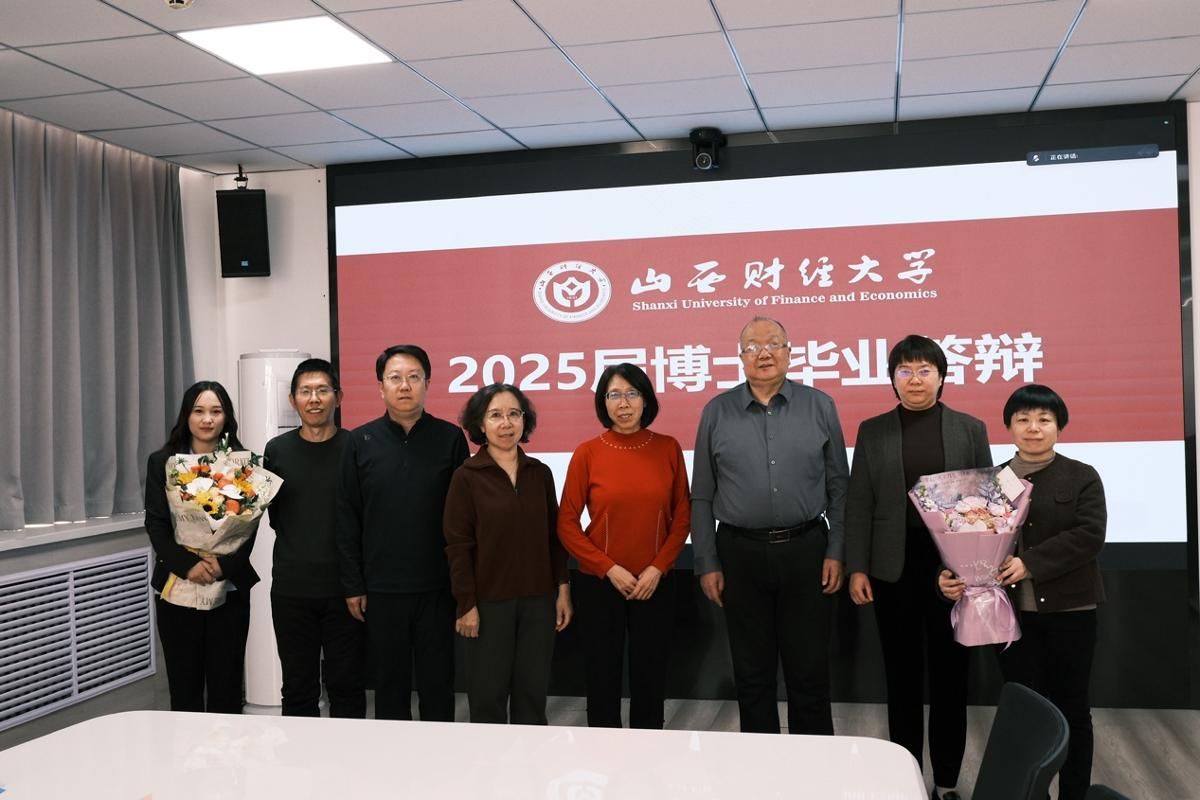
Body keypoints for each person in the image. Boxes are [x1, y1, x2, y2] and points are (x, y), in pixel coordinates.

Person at [940, 385, 1105, 800]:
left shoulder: (1082, 475)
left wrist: (1030, 563)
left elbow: (1089, 535)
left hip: (1070, 611)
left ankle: (1074, 795)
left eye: (1044, 420)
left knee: (1073, 707)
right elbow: (969, 537)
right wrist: (952, 575)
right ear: (1009, 426)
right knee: (1026, 709)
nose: (1034, 428)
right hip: (1010, 616)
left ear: (1059, 426)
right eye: (1023, 419)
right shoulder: (991, 482)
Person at [845, 334, 992, 800]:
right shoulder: (873, 431)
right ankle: (904, 776)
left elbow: (988, 503)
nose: (915, 379)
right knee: (902, 677)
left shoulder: (970, 429)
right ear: (892, 378)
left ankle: (946, 781)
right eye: (905, 370)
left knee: (951, 676)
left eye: (925, 370)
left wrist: (979, 567)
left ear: (942, 376)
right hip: (893, 566)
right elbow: (859, 502)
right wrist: (857, 567)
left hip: (954, 566)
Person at [692, 316, 849, 735]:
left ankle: (813, 761)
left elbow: (839, 486)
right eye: (753, 346)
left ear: (789, 352)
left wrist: (836, 549)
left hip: (807, 549)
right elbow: (702, 494)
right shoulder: (716, 412)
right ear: (740, 357)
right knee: (751, 671)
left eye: (774, 344)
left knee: (809, 670)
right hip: (739, 552)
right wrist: (706, 561)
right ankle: (760, 763)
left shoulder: (820, 406)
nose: (764, 353)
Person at [336, 344, 469, 721]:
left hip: (437, 586)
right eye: (395, 378)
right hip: (380, 589)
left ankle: (439, 753)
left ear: (428, 383)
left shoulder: (450, 438)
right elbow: (347, 516)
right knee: (389, 686)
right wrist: (353, 584)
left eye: (414, 377)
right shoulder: (359, 441)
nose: (405, 385)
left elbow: (464, 517)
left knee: (438, 683)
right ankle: (392, 755)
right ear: (381, 387)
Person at [558, 363, 691, 729]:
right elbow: (566, 522)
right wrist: (608, 568)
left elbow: (682, 517)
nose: (624, 403)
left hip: (654, 582)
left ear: (646, 399)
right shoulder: (588, 452)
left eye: (632, 393)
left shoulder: (667, 448)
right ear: (603, 402)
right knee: (601, 674)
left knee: (651, 672)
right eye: (614, 394)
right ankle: (604, 750)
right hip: (601, 583)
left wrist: (657, 568)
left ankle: (648, 747)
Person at [443, 384, 571, 724]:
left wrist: (562, 589)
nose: (506, 423)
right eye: (495, 415)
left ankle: (532, 761)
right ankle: (490, 761)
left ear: (524, 421)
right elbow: (457, 546)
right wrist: (466, 604)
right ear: (480, 424)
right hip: (488, 604)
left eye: (514, 414)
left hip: (538, 602)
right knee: (488, 699)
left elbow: (553, 537)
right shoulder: (466, 477)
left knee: (532, 697)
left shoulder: (539, 473)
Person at [144, 380, 257, 713]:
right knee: (184, 688)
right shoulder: (162, 462)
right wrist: (188, 565)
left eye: (216, 411)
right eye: (199, 411)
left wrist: (224, 565)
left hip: (230, 588)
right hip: (177, 585)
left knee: (226, 686)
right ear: (187, 415)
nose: (207, 419)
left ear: (226, 417)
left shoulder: (242, 464)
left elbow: (249, 526)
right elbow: (156, 523)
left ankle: (229, 747)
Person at [263, 358, 365, 718]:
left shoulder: (357, 447)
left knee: (347, 686)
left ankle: (347, 753)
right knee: (297, 688)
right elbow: (276, 517)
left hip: (346, 591)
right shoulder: (276, 451)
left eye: (323, 390)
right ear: (292, 400)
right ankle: (300, 754)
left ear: (339, 396)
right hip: (292, 588)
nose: (314, 399)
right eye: (305, 391)